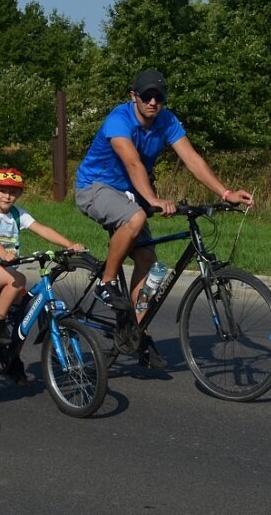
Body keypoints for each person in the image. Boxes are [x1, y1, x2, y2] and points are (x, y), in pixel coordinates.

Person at [75, 69, 254, 369]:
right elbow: (132, 164)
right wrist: (154, 201)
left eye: (159, 97)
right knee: (133, 218)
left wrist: (225, 193)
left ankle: (134, 330)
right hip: (95, 188)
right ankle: (106, 282)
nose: (153, 102)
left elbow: (192, 159)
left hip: (129, 194)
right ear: (134, 96)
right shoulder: (118, 120)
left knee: (149, 262)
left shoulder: (167, 121)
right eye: (147, 96)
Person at [0, 166, 84, 385]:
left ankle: (12, 358)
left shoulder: (17, 214)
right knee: (19, 280)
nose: (7, 195)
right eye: (2, 190)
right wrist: (3, 254)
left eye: (13, 191)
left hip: (5, 272)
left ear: (19, 194)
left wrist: (70, 245)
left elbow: (42, 229)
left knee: (26, 310)